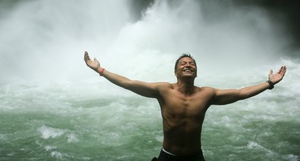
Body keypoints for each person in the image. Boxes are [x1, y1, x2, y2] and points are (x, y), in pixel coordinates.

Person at [84, 51, 286, 161]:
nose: (188, 65)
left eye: (192, 64)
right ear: (175, 72)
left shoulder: (207, 94)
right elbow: (128, 83)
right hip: (168, 158)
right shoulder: (163, 90)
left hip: (195, 158)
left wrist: (269, 83)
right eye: (183, 64)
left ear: (196, 73)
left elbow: (240, 93)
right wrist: (99, 69)